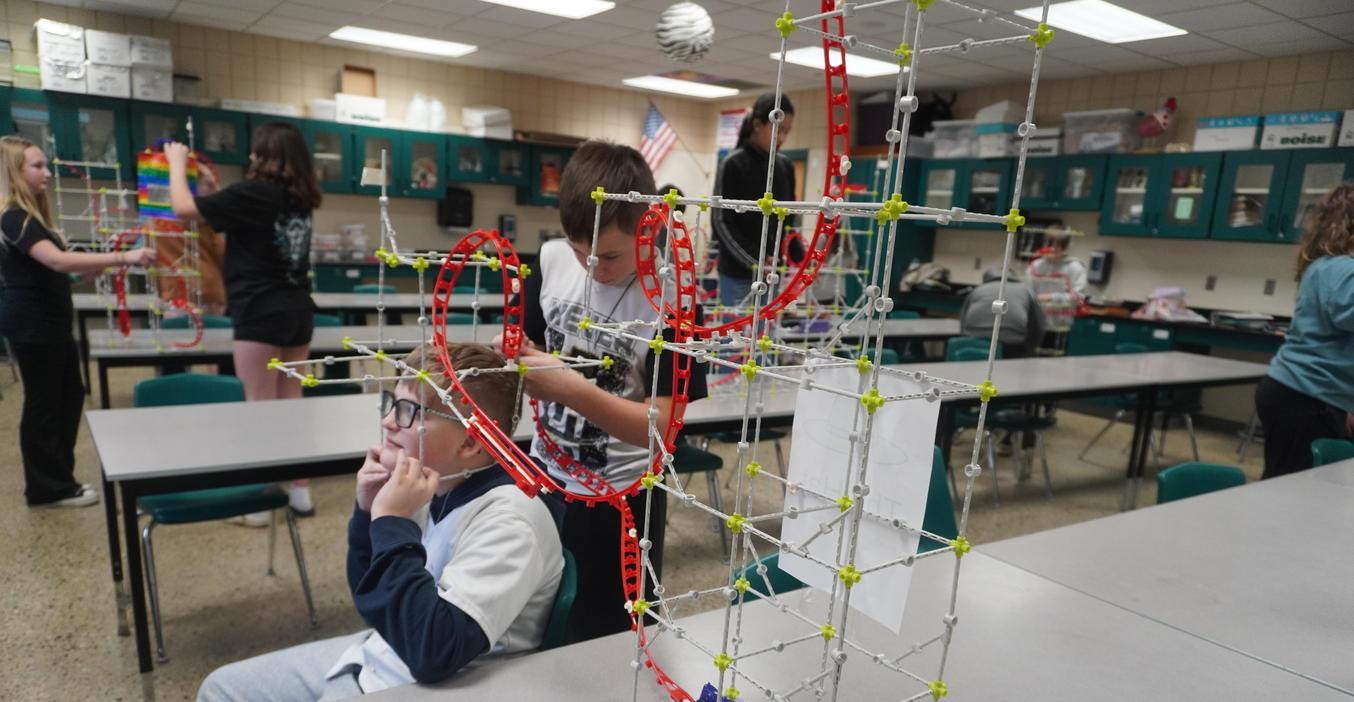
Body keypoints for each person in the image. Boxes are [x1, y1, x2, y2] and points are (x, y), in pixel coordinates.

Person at [196, 343, 564, 700]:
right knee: (221, 687)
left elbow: (432, 653)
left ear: (470, 444)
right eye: (392, 405)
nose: (388, 422)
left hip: (442, 682)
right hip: (385, 652)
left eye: (409, 412)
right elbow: (369, 596)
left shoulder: (511, 521)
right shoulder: (432, 483)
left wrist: (391, 522)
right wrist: (369, 514)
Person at [513, 140, 708, 643]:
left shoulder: (674, 301)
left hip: (622, 503)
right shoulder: (553, 261)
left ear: (651, 227)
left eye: (610, 256)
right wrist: (513, 355)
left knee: (611, 637)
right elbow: (530, 343)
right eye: (581, 252)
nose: (592, 268)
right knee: (537, 622)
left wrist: (572, 390)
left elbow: (662, 428)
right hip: (546, 481)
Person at [165, 122, 322, 516]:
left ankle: (260, 500)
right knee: (291, 403)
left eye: (254, 152)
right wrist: (206, 187)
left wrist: (174, 162)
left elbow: (183, 210)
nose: (250, 158)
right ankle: (300, 493)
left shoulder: (253, 192)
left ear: (263, 155)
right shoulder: (297, 198)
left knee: (259, 406)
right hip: (297, 310)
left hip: (259, 311)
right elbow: (223, 214)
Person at [0, 136, 155, 508]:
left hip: (48, 321)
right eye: (37, 166)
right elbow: (56, 260)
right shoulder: (12, 217)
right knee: (45, 402)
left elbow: (54, 269)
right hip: (33, 324)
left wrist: (85, 271)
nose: (47, 173)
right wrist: (125, 257)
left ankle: (59, 480)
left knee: (67, 397)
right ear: (14, 172)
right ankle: (46, 487)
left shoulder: (30, 218)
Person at [1255, 183, 1354, 480]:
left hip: (1301, 393)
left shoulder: (1325, 266)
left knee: (1290, 482)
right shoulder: (1342, 270)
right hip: (1305, 396)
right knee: (1294, 488)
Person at [712, 92, 800, 307]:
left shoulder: (785, 166)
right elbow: (722, 221)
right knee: (734, 337)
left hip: (773, 272)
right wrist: (756, 260)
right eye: (778, 129)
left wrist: (799, 259)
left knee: (764, 338)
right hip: (738, 273)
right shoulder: (733, 163)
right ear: (758, 124)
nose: (782, 138)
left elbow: (788, 221)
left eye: (787, 131)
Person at [959, 268, 1048, 358]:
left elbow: (963, 319)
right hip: (1012, 344)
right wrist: (1028, 351)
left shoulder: (977, 290)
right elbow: (1038, 325)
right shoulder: (1027, 291)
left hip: (972, 342)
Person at [1026, 232, 1088, 299]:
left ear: (1066, 247)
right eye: (1050, 244)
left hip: (1066, 309)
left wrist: (1049, 297)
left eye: (1058, 245)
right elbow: (1026, 291)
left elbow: (1078, 296)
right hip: (1037, 308)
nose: (1053, 248)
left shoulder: (1075, 267)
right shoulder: (1035, 265)